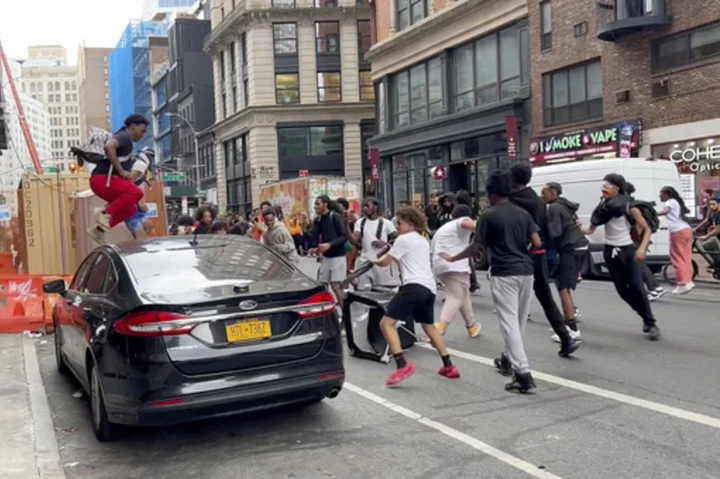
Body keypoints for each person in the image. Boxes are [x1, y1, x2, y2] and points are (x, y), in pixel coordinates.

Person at [441, 171, 540, 393]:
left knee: (509, 321)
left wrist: (454, 258)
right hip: (526, 270)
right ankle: (509, 358)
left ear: (491, 193)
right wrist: (522, 254)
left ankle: (523, 373)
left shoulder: (489, 215)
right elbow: (537, 241)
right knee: (519, 320)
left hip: (504, 272)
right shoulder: (523, 213)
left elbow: (477, 247)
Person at [372, 207, 459, 386]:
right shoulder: (422, 240)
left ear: (411, 224)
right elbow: (406, 260)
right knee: (429, 327)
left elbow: (385, 262)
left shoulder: (403, 239)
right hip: (429, 288)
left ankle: (402, 364)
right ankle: (448, 365)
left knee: (386, 324)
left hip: (412, 286)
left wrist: (374, 260)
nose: (397, 226)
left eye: (400, 223)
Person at [508, 163, 579, 358]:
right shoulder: (537, 201)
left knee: (512, 306)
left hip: (518, 255)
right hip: (538, 252)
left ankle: (511, 355)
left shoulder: (511, 200)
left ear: (513, 179)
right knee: (545, 297)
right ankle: (566, 337)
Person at [579, 173, 660, 340]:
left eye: (607, 186)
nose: (603, 188)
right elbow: (590, 230)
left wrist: (642, 249)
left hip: (628, 250)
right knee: (622, 290)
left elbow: (646, 229)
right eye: (603, 186)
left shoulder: (630, 207)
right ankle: (643, 314)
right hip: (609, 251)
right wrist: (578, 227)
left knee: (637, 286)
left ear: (617, 189)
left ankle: (650, 322)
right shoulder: (603, 208)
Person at [88, 114, 148, 241]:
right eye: (141, 131)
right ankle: (105, 214)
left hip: (101, 182)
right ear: (132, 127)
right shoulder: (124, 136)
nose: (142, 135)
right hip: (102, 180)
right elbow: (108, 147)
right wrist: (120, 170)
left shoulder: (125, 139)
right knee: (137, 192)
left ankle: (98, 231)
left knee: (130, 208)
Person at [542, 182, 588, 343]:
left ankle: (572, 329)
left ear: (554, 193)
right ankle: (568, 320)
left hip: (570, 248)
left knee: (563, 287)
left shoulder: (554, 207)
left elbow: (555, 232)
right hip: (579, 245)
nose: (542, 196)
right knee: (563, 285)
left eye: (544, 193)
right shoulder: (566, 206)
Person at [431, 204, 481, 337]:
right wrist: (483, 223)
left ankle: (472, 325)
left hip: (440, 265)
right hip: (454, 265)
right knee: (455, 296)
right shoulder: (461, 222)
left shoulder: (444, 228)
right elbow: (469, 224)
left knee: (462, 294)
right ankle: (442, 325)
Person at [625, 182, 667, 301]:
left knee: (638, 264)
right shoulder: (632, 203)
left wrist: (636, 238)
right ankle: (652, 288)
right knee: (638, 264)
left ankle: (653, 288)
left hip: (636, 238)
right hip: (638, 238)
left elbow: (640, 224)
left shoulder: (632, 206)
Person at [309, 195, 348, 307]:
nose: (315, 206)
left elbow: (343, 237)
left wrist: (329, 244)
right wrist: (315, 248)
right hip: (327, 257)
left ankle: (346, 315)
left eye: (318, 204)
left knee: (335, 285)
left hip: (338, 256)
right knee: (322, 284)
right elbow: (316, 237)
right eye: (315, 204)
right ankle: (326, 312)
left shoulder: (335, 216)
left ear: (325, 204)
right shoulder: (319, 219)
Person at [353, 197, 398, 288]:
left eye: (367, 206)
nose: (365, 208)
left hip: (381, 262)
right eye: (363, 206)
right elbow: (354, 239)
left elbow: (397, 237)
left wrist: (385, 244)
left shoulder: (386, 223)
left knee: (381, 290)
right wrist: (345, 227)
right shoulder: (360, 222)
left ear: (375, 207)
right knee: (363, 291)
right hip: (364, 261)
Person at [658, 186, 694, 294]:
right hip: (686, 229)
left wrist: (653, 213)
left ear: (667, 194)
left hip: (677, 231)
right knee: (686, 257)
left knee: (677, 257)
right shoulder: (677, 202)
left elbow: (665, 211)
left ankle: (682, 283)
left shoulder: (670, 202)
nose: (660, 196)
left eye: (661, 194)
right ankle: (688, 281)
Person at [697, 197, 720, 268]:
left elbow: (717, 230)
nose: (711, 206)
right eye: (710, 205)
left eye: (713, 204)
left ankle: (718, 263)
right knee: (705, 246)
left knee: (711, 241)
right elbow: (707, 222)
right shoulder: (714, 214)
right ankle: (717, 263)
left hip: (717, 239)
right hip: (717, 239)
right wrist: (696, 228)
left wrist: (706, 236)